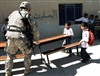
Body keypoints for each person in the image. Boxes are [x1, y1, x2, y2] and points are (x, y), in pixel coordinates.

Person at [4, 1, 40, 76]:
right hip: (20, 37)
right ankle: (27, 69)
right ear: (28, 9)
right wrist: (37, 40)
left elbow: (8, 24)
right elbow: (35, 29)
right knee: (28, 53)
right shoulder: (27, 15)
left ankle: (8, 72)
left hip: (9, 36)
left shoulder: (13, 13)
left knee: (10, 55)